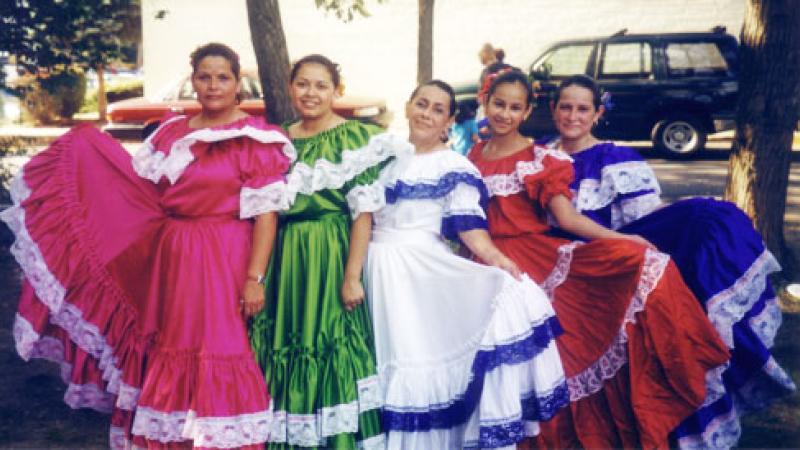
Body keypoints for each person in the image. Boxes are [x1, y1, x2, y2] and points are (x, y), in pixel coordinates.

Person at [2, 42, 292, 449]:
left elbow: (266, 216)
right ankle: (171, 439)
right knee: (171, 344)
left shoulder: (255, 139)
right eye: (204, 77)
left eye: (222, 77)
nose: (212, 86)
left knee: (220, 345)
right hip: (172, 256)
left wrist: (254, 278)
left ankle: (219, 439)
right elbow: (143, 192)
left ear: (236, 82)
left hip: (223, 253)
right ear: (193, 81)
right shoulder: (172, 132)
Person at [468, 69, 731, 449]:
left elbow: (567, 218)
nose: (505, 114)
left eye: (514, 107)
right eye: (498, 104)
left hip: (531, 264)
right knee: (495, 360)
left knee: (550, 358)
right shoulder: (470, 156)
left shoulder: (538, 158)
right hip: (481, 264)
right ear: (485, 102)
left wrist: (626, 239)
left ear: (526, 112)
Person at [541, 74, 796, 449]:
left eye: (583, 108)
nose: (573, 116)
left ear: (597, 113)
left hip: (614, 274)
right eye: (566, 107)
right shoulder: (539, 157)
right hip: (563, 275)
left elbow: (644, 227)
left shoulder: (615, 159)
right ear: (553, 109)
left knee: (707, 218)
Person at [364, 80, 567, 449]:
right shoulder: (384, 158)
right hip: (376, 271)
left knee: (418, 355)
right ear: (408, 106)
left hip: (419, 274)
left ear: (450, 121)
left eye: (438, 109)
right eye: (421, 104)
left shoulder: (453, 164)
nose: (427, 113)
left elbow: (471, 231)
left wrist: (498, 262)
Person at [249, 54, 395, 449]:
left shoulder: (354, 139)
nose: (310, 93)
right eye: (303, 84)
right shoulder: (277, 139)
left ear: (336, 91)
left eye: (320, 85)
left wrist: (351, 277)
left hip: (329, 254)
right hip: (285, 257)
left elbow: (362, 215)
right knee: (286, 341)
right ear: (290, 87)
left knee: (330, 342)